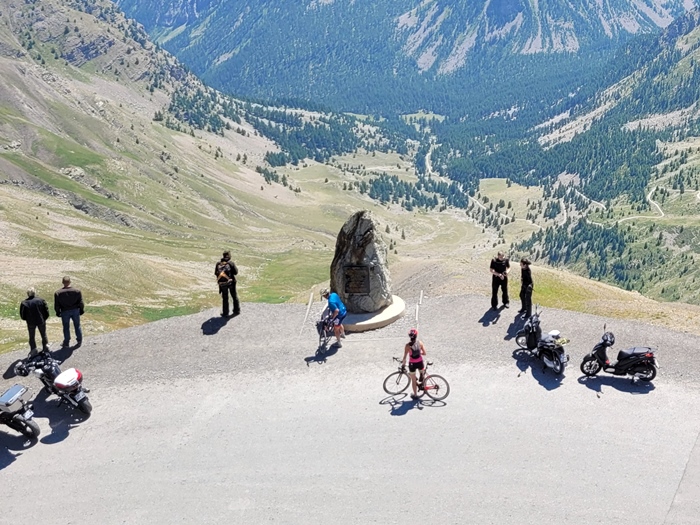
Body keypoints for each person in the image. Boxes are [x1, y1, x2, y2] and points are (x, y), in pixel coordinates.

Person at [54, 276, 84, 348]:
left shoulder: (58, 293)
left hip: (65, 311)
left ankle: (66, 342)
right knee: (77, 325)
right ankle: (79, 340)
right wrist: (81, 309)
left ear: (63, 282)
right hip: (75, 310)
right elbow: (81, 302)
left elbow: (57, 305)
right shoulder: (77, 291)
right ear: (70, 282)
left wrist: (58, 312)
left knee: (66, 327)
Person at [20, 287, 50, 356]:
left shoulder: (24, 303)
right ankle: (46, 349)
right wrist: (44, 318)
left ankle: (34, 350)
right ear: (34, 293)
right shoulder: (41, 300)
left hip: (31, 322)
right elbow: (46, 311)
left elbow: (22, 315)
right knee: (43, 335)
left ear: (28, 294)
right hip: (41, 320)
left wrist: (26, 319)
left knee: (31, 336)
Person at [402, 328, 426, 400]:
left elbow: (404, 357)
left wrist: (403, 364)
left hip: (412, 364)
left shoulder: (407, 346)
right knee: (422, 374)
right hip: (420, 362)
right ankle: (424, 387)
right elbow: (424, 353)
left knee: (413, 379)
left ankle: (415, 395)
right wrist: (419, 353)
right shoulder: (420, 343)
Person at [215, 250, 240, 317]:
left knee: (225, 298)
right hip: (231, 282)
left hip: (222, 283)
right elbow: (236, 272)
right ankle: (236, 310)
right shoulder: (231, 263)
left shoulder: (218, 263)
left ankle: (225, 313)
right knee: (234, 296)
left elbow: (216, 273)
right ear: (229, 256)